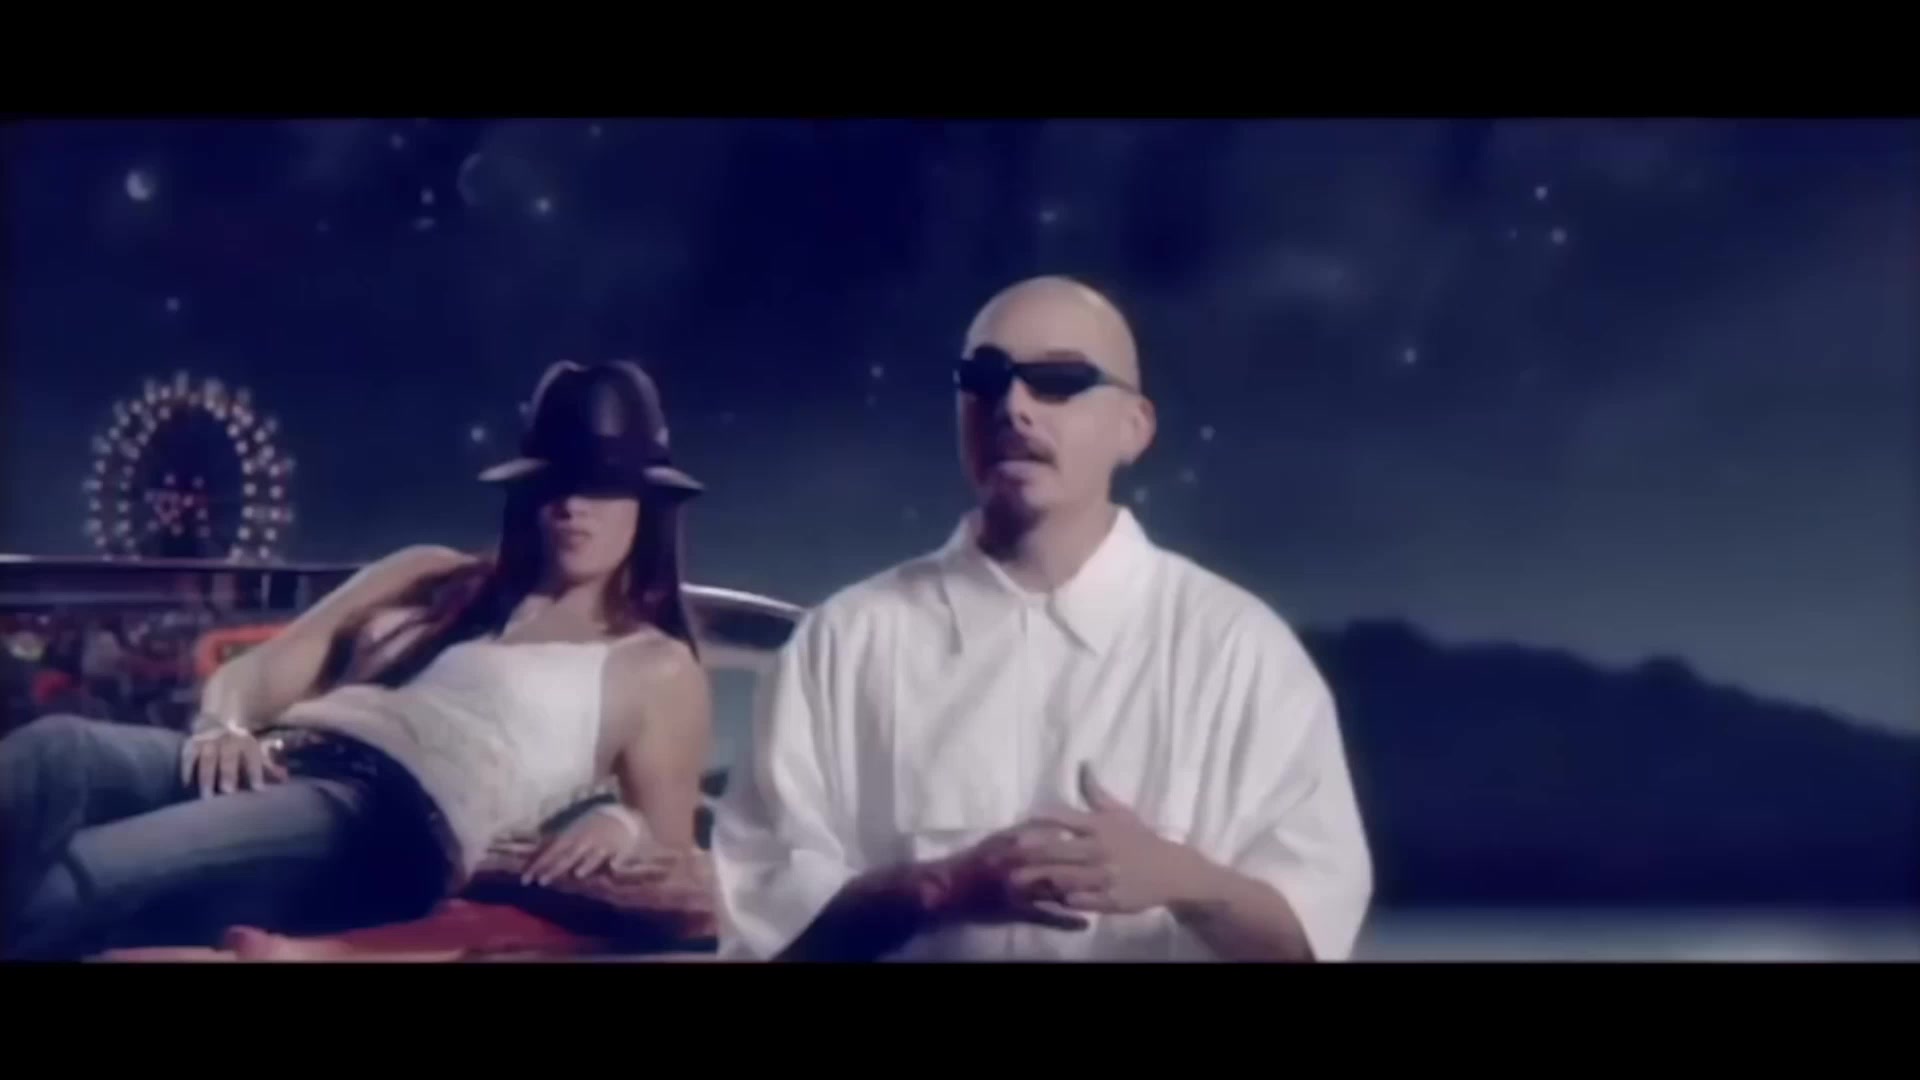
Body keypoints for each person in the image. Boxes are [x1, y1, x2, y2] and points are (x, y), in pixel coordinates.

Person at [712, 276, 1373, 961]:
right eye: (985, 380)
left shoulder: (1239, 650)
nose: (1014, 407)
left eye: (1058, 381)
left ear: (1134, 427)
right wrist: (943, 889)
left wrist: (1185, 880)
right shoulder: (844, 643)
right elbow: (764, 929)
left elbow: (1311, 940)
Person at [0, 361, 713, 961]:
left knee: (92, 869)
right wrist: (224, 725)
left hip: (386, 824)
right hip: (284, 758)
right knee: (57, 751)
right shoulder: (434, 576)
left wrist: (622, 824)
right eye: (554, 484)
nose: (573, 506)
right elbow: (258, 672)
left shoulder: (654, 664)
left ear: (647, 503)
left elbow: (670, 862)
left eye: (601, 485)